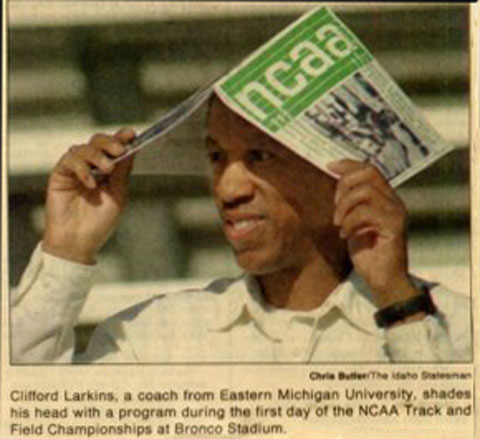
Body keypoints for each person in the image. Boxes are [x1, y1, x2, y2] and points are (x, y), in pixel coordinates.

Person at [11, 95, 471, 363]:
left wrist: (397, 300)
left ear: (345, 173)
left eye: (260, 156)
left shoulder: (457, 326)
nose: (227, 189)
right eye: (217, 157)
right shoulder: (148, 338)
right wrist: (65, 252)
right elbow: (21, 417)